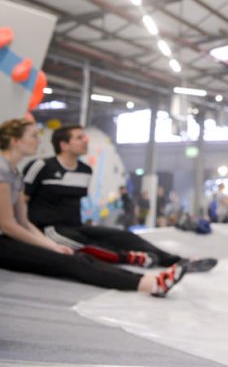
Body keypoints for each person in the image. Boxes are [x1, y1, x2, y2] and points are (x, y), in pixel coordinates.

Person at [0, 119, 185, 297]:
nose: (38, 141)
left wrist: (52, 246)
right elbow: (8, 224)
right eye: (33, 136)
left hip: (35, 233)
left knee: (78, 255)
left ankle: (151, 277)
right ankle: (147, 282)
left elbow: (22, 220)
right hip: (20, 237)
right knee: (71, 261)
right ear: (15, 141)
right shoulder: (6, 169)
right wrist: (51, 245)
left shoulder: (14, 173)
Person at [21, 125, 217, 273]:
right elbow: (22, 200)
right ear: (63, 144)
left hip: (75, 226)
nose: (86, 140)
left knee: (125, 236)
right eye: (79, 137)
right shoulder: (40, 165)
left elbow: (72, 204)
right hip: (48, 229)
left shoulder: (85, 170)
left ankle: (176, 261)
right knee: (93, 247)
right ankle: (133, 259)